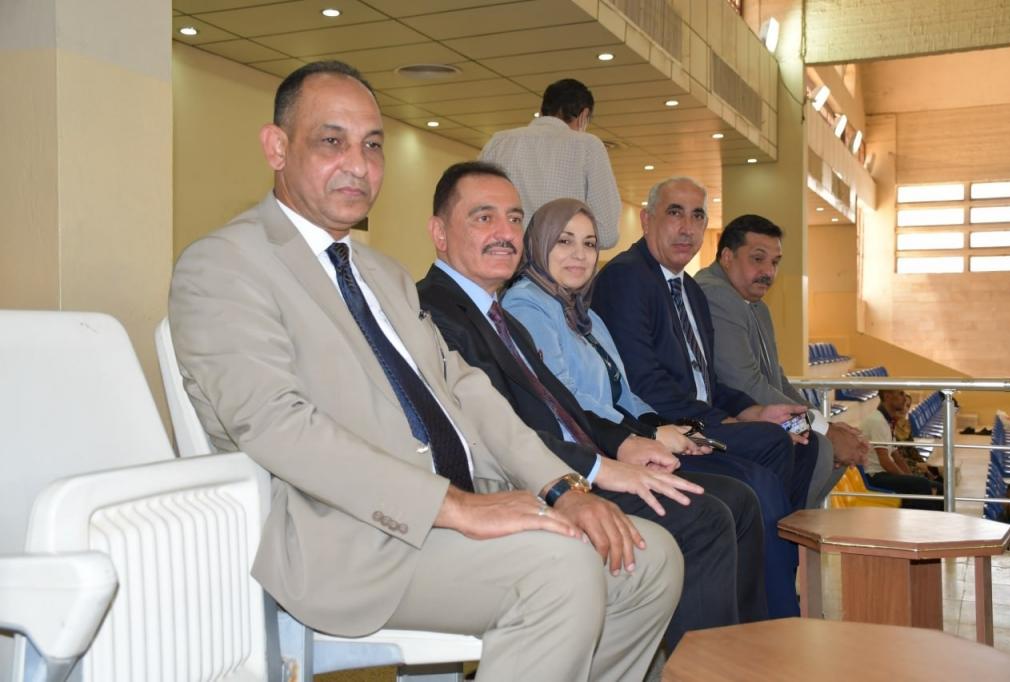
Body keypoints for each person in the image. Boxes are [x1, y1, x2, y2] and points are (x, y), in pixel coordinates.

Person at [168, 61, 682, 682]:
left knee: (650, 560)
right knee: (561, 570)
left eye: (372, 145)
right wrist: (455, 507)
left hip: (456, 507)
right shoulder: (225, 264)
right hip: (351, 538)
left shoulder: (380, 272)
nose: (358, 165)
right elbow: (277, 425)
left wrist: (561, 486)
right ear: (277, 147)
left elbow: (465, 386)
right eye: (331, 141)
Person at [417, 164, 769, 644]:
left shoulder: (502, 314)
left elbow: (566, 406)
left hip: (570, 461)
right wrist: (602, 465)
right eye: (484, 218)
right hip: (518, 486)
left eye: (514, 219)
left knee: (735, 497)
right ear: (439, 233)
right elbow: (502, 433)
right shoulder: (439, 311)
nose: (505, 233)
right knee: (706, 516)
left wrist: (629, 444)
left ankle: (733, 654)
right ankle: (709, 666)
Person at [502, 196, 800, 618]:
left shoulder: (583, 314)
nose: (579, 255)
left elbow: (625, 394)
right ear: (538, 243)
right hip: (587, 459)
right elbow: (564, 399)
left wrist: (669, 429)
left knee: (744, 494)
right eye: (564, 241)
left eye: (589, 244)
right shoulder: (527, 305)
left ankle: (749, 631)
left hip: (626, 441)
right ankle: (721, 643)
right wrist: (648, 435)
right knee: (725, 503)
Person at [591, 177, 818, 512]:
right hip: (663, 427)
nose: (687, 228)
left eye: (697, 216)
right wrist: (728, 423)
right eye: (675, 213)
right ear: (646, 220)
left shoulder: (691, 291)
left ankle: (782, 541)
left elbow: (707, 383)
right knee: (771, 443)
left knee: (805, 442)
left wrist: (754, 411)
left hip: (701, 420)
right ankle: (769, 540)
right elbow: (644, 383)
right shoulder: (626, 276)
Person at [693, 214, 870, 508]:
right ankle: (782, 531)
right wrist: (824, 431)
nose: (768, 271)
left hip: (760, 415)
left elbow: (777, 379)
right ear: (727, 256)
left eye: (774, 262)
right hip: (723, 422)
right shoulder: (716, 294)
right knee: (820, 449)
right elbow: (744, 383)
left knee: (826, 448)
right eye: (757, 259)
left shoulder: (756, 306)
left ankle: (792, 529)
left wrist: (824, 423)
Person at [479, 78, 620, 248]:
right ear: (584, 115)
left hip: (505, 256)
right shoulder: (588, 146)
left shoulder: (499, 142)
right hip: (561, 259)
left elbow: (478, 210)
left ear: (543, 109)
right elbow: (606, 234)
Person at [861, 390, 943, 510]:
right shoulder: (877, 421)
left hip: (883, 473)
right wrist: (908, 479)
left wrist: (910, 476)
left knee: (940, 488)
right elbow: (885, 461)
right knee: (922, 485)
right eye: (900, 394)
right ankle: (915, 520)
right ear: (887, 396)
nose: (904, 398)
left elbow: (896, 456)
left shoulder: (887, 421)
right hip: (874, 476)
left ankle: (936, 520)